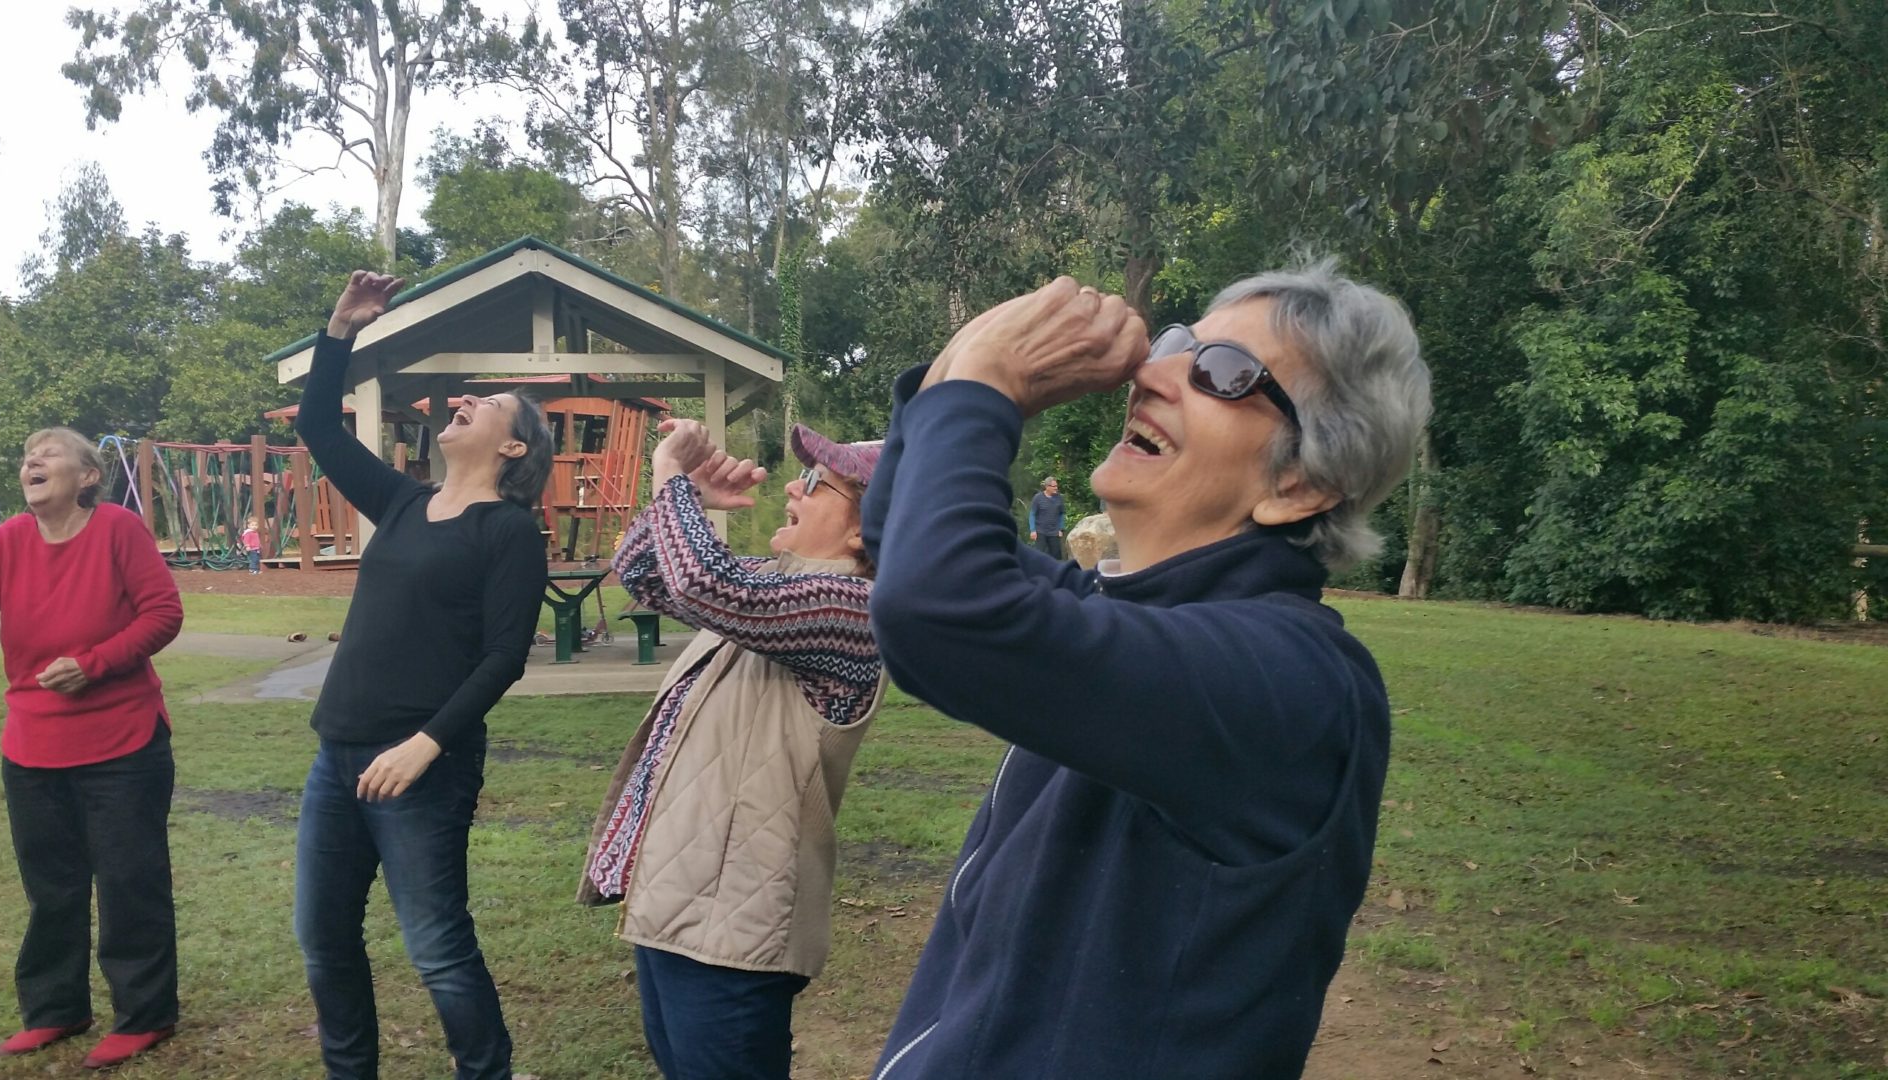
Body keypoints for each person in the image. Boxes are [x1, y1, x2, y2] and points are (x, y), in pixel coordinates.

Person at [862, 265, 1431, 1079]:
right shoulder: (1137, 622)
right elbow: (897, 543)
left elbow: (941, 605)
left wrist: (990, 380)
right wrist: (967, 355)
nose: (1151, 373)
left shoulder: (1299, 683)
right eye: (1176, 345)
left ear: (1300, 484)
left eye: (1223, 372)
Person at [292, 271, 554, 1080]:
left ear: (513, 447)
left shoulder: (509, 532)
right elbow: (318, 429)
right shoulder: (403, 503)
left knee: (438, 951)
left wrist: (425, 746)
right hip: (335, 759)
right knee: (324, 940)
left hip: (420, 771)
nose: (467, 402)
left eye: (491, 404)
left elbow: (504, 657)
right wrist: (341, 329)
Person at [578, 419, 888, 1080]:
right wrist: (683, 494)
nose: (792, 489)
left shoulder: (854, 610)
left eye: (814, 482)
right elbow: (648, 574)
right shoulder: (774, 585)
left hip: (737, 932)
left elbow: (704, 585)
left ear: (864, 528)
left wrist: (671, 477)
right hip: (681, 908)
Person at [0, 428, 184, 1070]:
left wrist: (94, 663)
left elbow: (163, 613)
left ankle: (144, 1014)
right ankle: (55, 1009)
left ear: (89, 475)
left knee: (128, 881)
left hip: (122, 741)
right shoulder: (6, 540)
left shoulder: (118, 529)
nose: (32, 459)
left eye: (50, 452)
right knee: (52, 887)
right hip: (31, 745)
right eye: (26, 453)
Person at [1027, 476, 1067, 559]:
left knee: (1056, 556)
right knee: (1039, 555)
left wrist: (1061, 528)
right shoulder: (1038, 498)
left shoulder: (1059, 498)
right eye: (1054, 486)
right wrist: (1033, 530)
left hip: (1054, 532)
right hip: (1040, 531)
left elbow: (1062, 514)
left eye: (1056, 486)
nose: (1056, 488)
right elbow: (1032, 514)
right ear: (1047, 487)